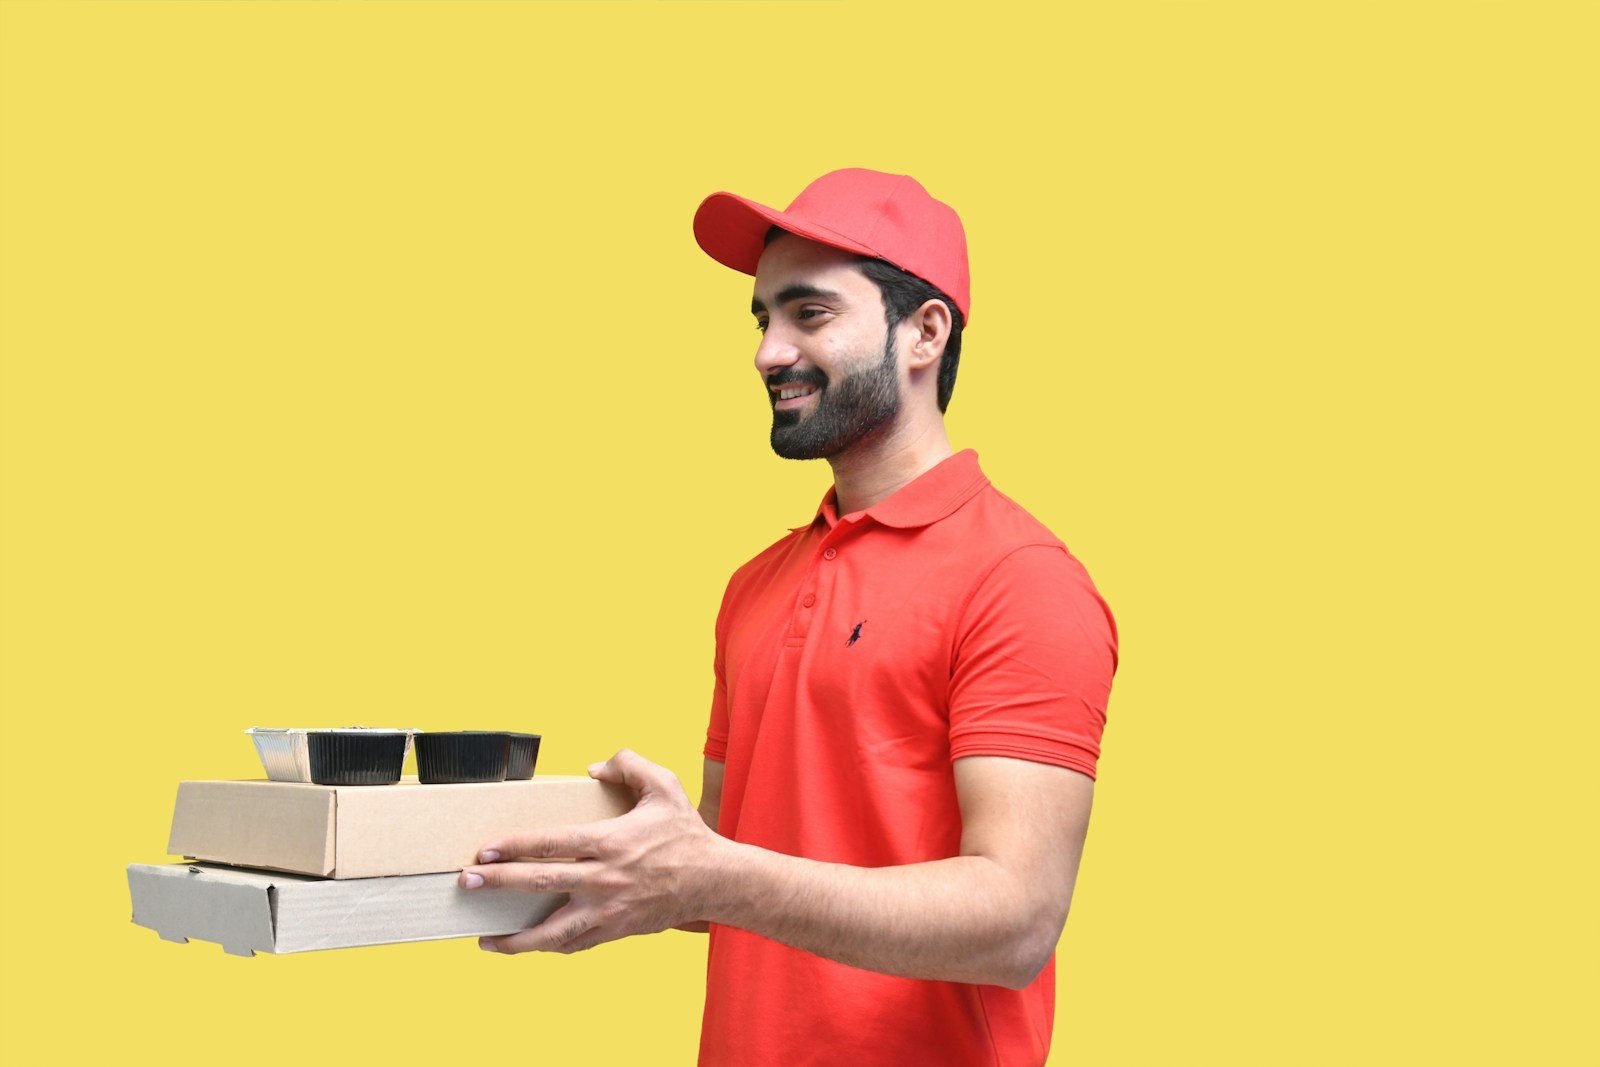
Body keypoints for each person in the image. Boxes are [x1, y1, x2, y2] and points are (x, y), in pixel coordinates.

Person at [460, 168, 1119, 1067]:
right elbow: (723, 860)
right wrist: (515, 858)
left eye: (810, 314)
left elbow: (1018, 921)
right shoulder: (755, 585)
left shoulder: (1021, 580)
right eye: (764, 319)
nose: (770, 352)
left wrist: (712, 873)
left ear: (925, 332)